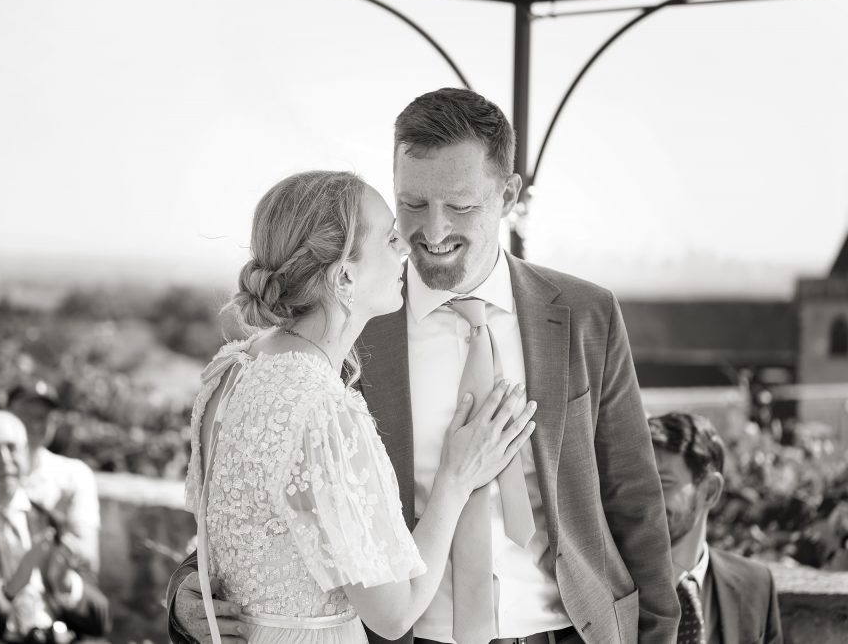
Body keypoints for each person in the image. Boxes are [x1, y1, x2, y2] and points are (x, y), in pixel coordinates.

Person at [168, 89, 679, 644]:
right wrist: (186, 592)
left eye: (460, 206)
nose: (431, 234)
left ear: (507, 194)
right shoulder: (351, 323)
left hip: (571, 632)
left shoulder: (587, 313)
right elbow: (272, 499)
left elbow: (635, 501)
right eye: (412, 205)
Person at [176, 170, 537, 644]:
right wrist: (456, 478)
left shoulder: (230, 372)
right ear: (345, 274)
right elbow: (393, 614)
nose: (406, 247)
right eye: (390, 239)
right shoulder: (324, 411)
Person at [0, 410, 110, 644]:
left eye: (12, 448)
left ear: (26, 455)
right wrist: (9, 591)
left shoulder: (50, 520)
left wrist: (65, 584)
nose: (4, 459)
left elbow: (100, 619)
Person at [649, 412, 783, 643]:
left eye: (663, 483)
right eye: (638, 482)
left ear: (709, 491)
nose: (645, 497)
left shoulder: (756, 586)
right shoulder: (610, 584)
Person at [7, 381, 101, 574]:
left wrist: (51, 532)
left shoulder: (75, 474)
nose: (34, 424)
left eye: (43, 417)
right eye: (25, 414)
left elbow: (89, 560)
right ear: (5, 415)